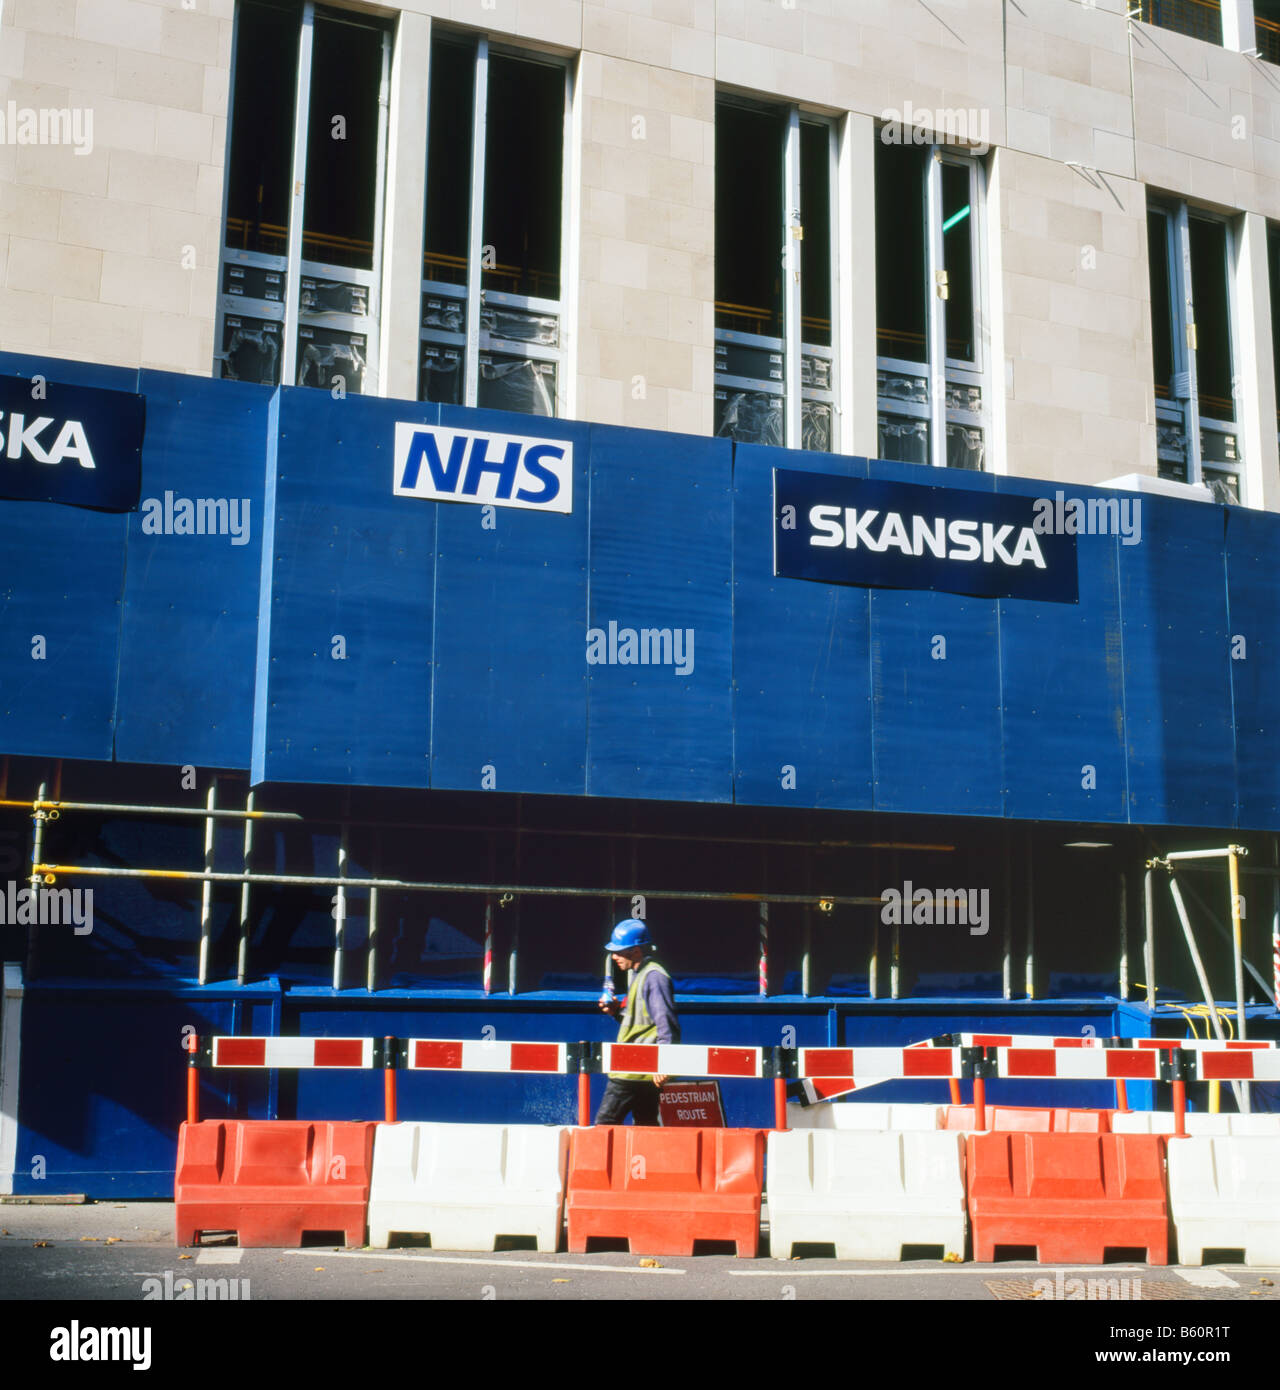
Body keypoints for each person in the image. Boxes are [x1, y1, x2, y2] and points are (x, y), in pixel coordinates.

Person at [594, 918, 680, 1126]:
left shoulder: (654, 977)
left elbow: (666, 1024)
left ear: (636, 951)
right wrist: (616, 1012)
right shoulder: (639, 974)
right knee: (645, 1125)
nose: (614, 956)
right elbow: (642, 1023)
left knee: (604, 1124)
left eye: (619, 951)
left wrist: (665, 1064)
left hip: (631, 1071)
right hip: (641, 1068)